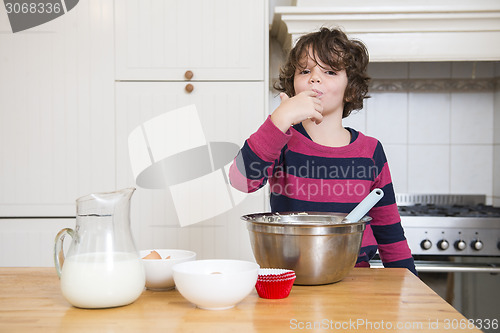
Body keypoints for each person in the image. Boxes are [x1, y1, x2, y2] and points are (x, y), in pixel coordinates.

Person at [229, 27, 416, 275]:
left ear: (350, 88)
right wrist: (279, 119)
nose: (314, 78)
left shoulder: (371, 151)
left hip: (356, 281)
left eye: (329, 71)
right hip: (291, 279)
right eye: (305, 71)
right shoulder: (281, 141)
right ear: (293, 85)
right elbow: (241, 181)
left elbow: (390, 233)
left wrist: (411, 292)